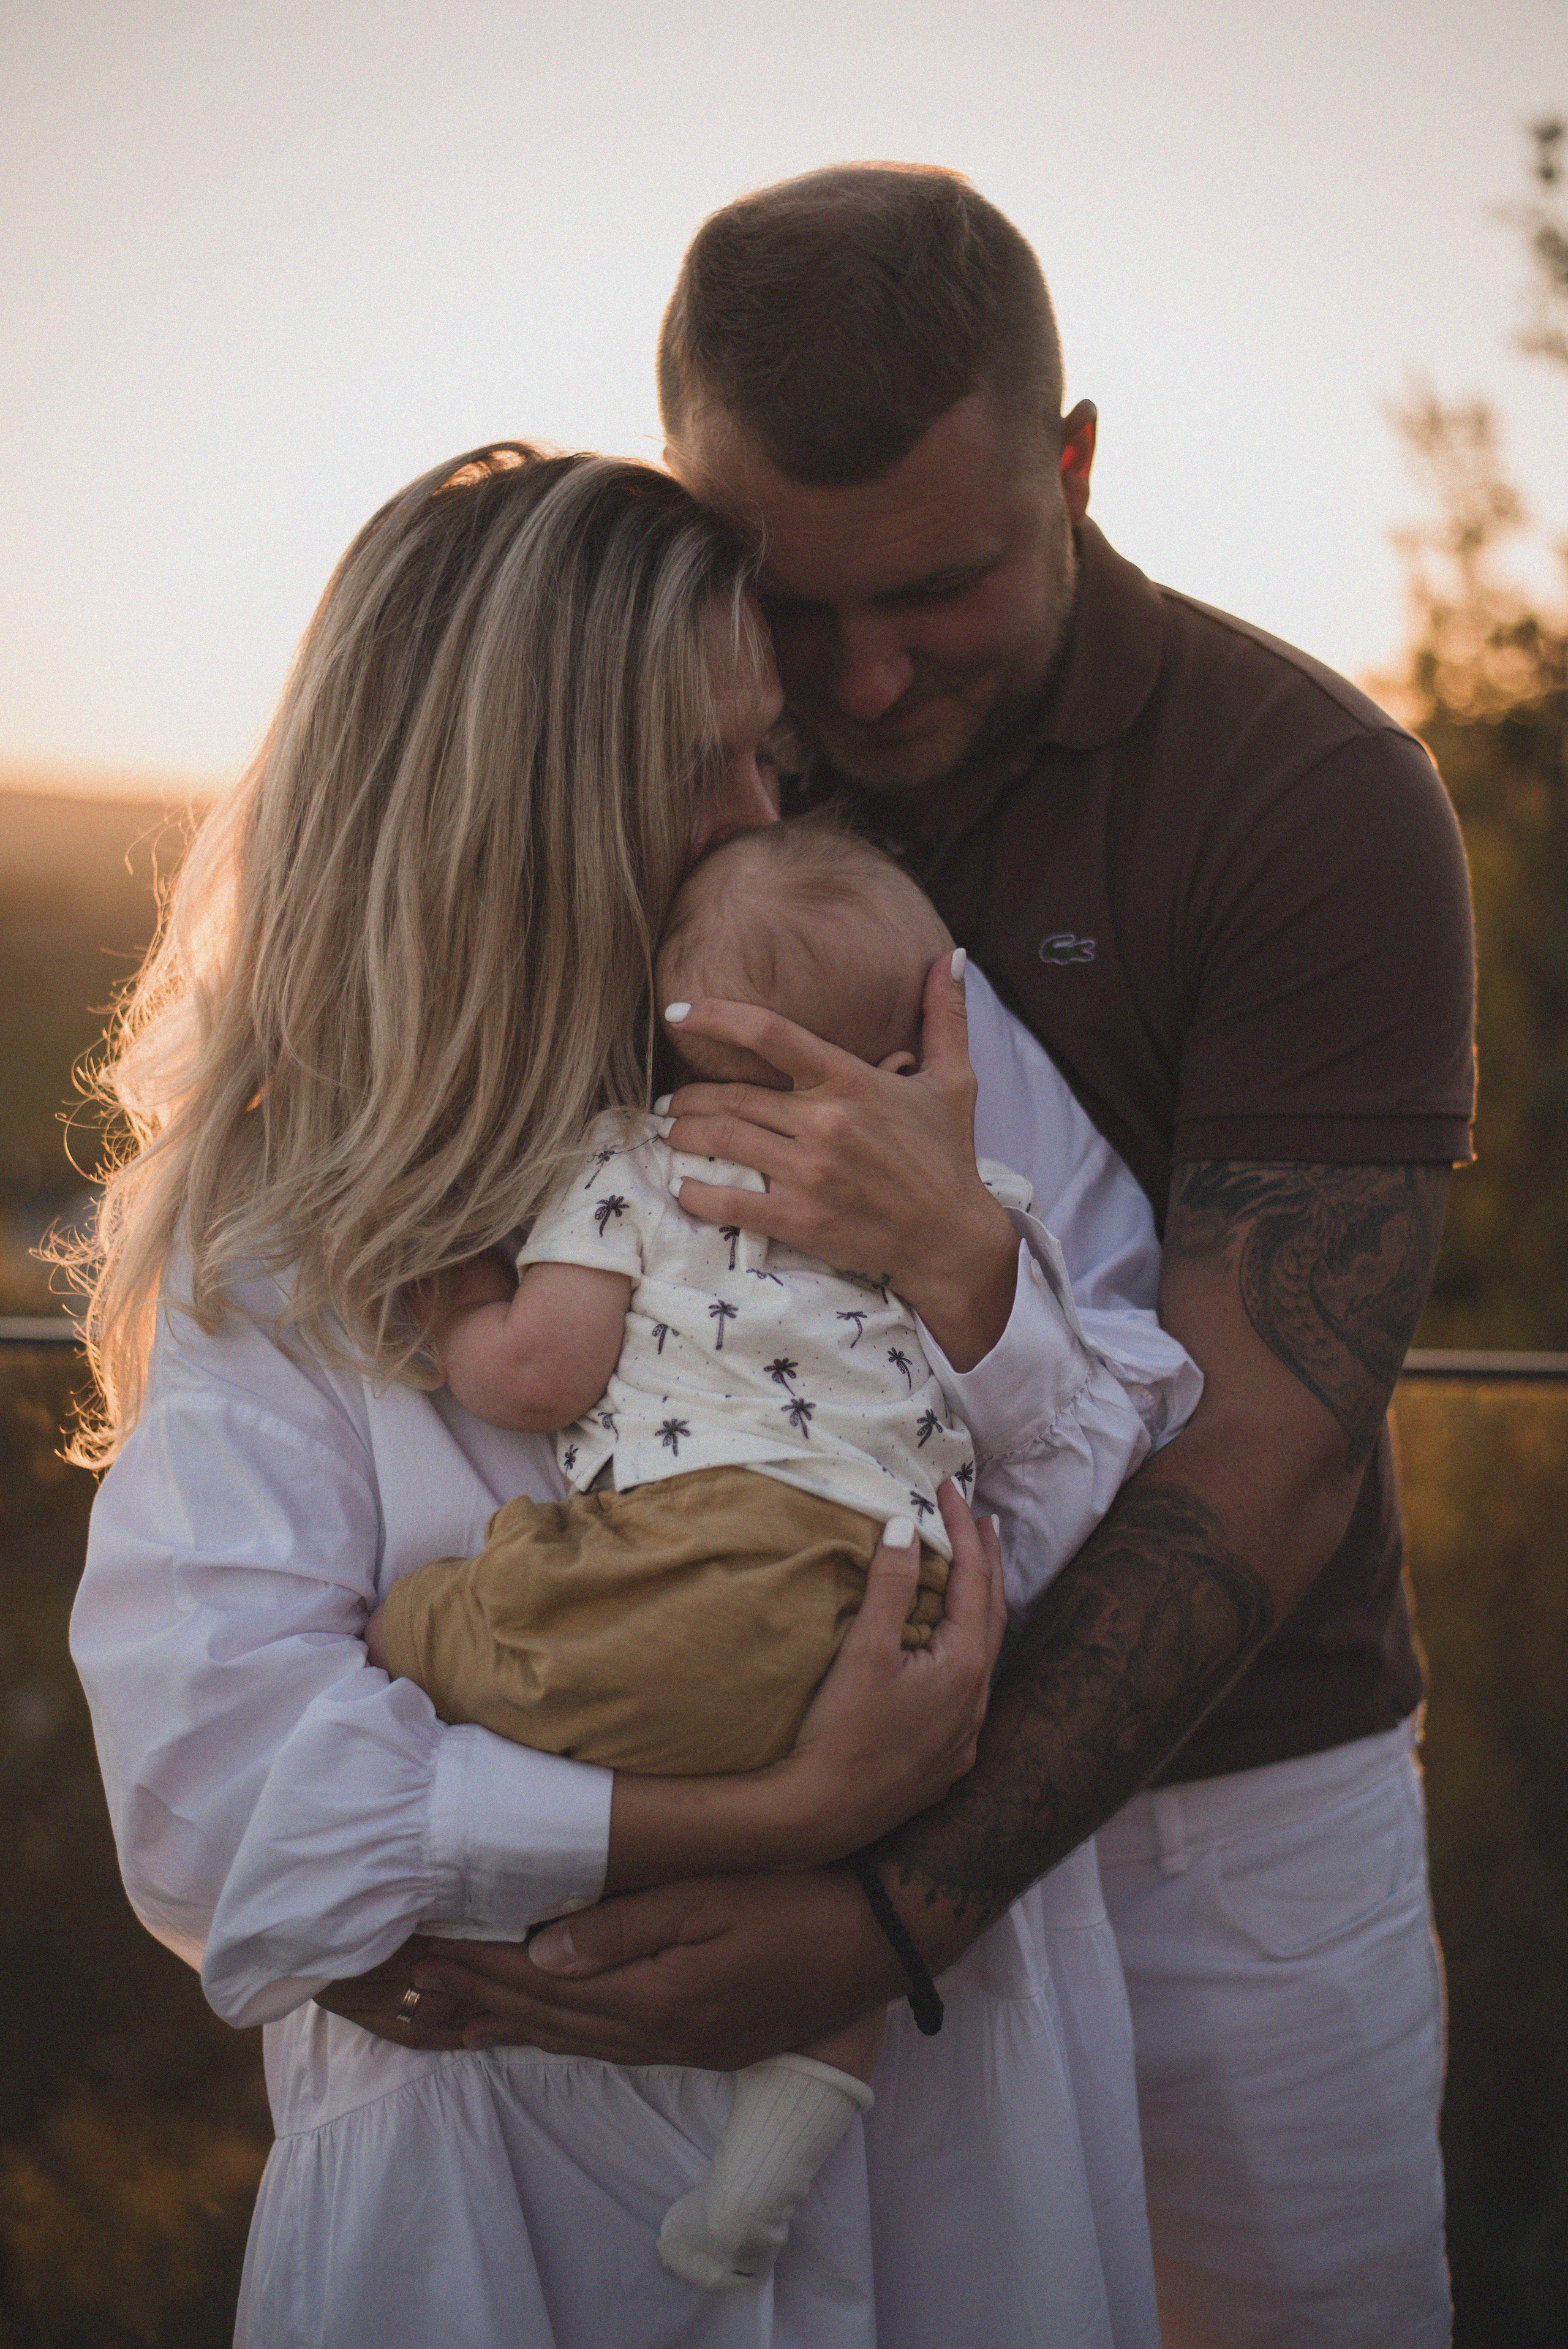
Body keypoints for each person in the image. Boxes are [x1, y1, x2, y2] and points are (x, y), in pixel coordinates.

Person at [407, 173, 1475, 2349]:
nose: (866, 679)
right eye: (801, 603)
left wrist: (891, 1893)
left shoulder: (1311, 799)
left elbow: (1257, 1455)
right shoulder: (683, 764)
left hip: (1226, 1827)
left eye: (944, 587)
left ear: (1070, 464)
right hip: (769, 1767)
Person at [69, 441, 1192, 2346]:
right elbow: (217, 1798)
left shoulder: (884, 1028)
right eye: (707, 764)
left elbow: (1122, 1532)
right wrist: (796, 1811)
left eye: (773, 754)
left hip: (933, 2143)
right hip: (501, 2198)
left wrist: (964, 1269)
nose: (767, 812)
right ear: (524, 804)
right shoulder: (300, 1220)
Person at [365, 815, 1199, 2291]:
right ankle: (757, 2173)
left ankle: (522, 1824)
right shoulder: (973, 1207)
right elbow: (1068, 1437)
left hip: (701, 1575)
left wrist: (448, 1288)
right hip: (907, 1614)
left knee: (445, 1620)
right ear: (913, 1060)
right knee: (850, 1872)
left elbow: (538, 1374)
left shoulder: (632, 1164)